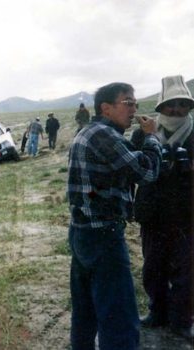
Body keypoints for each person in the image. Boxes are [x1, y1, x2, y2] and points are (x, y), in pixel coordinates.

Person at [67, 82, 161, 350]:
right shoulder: (103, 136)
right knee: (119, 314)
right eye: (127, 103)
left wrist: (139, 140)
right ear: (106, 108)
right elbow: (145, 172)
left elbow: (121, 163)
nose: (133, 109)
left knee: (86, 310)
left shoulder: (92, 132)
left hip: (83, 233)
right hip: (103, 236)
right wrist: (152, 138)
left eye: (135, 104)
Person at [131, 75, 194, 340]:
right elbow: (131, 168)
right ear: (161, 107)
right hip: (153, 212)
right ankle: (157, 312)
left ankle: (182, 319)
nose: (177, 109)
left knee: (187, 270)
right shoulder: (143, 133)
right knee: (153, 266)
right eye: (171, 104)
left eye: (182, 104)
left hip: (188, 213)